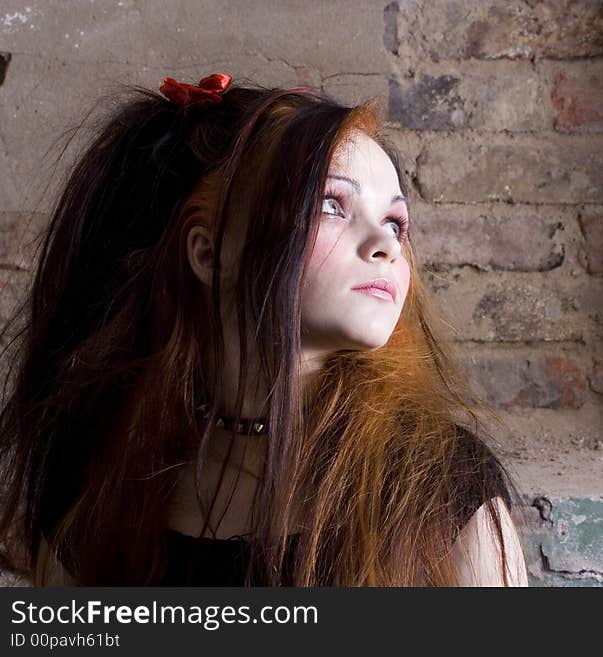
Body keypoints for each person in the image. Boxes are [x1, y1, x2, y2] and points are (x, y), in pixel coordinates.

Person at [0, 74, 529, 586]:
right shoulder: (98, 481)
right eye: (330, 205)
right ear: (208, 254)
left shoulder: (442, 486)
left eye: (395, 223)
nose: (387, 245)